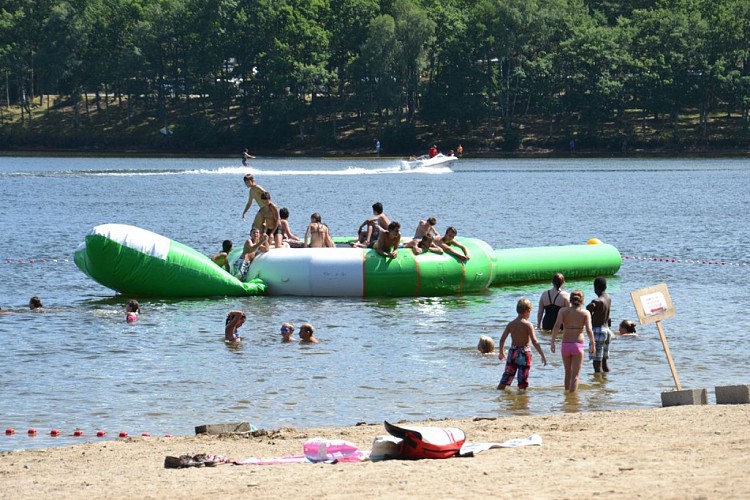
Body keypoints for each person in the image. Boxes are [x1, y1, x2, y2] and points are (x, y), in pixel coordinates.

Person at [497, 298, 547, 392]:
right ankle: (522, 399)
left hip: (513, 351)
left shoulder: (511, 324)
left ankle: (500, 391)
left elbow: (502, 339)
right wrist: (542, 355)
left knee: (507, 374)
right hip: (524, 352)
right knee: (522, 378)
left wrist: (501, 352)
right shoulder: (528, 325)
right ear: (527, 311)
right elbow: (534, 341)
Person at [550, 290, 595, 392]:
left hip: (565, 344)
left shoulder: (563, 311)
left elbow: (557, 326)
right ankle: (572, 400)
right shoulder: (585, 313)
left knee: (567, 374)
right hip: (577, 345)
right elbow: (589, 330)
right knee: (575, 376)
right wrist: (593, 343)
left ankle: (567, 399)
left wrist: (552, 341)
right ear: (582, 300)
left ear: (570, 300)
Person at [586, 277, 612, 373]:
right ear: (605, 287)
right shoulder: (608, 298)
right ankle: (606, 381)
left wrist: (588, 308)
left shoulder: (596, 301)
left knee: (597, 363)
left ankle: (599, 386)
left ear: (595, 288)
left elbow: (587, 316)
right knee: (604, 362)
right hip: (607, 330)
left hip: (598, 331)